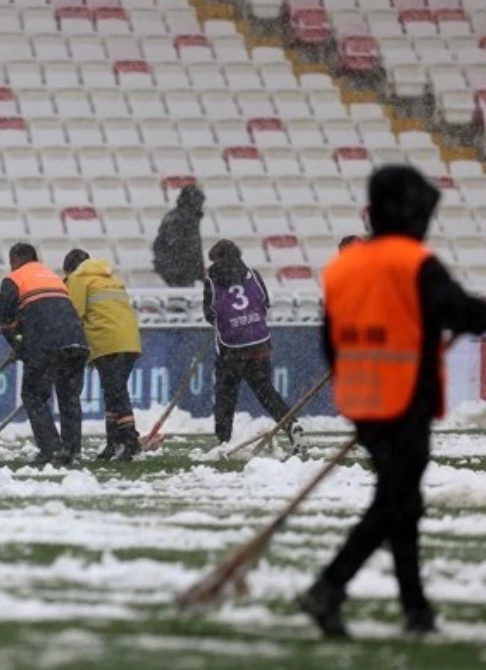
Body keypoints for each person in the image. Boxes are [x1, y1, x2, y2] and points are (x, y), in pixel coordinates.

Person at [299, 166, 486, 639]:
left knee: (401, 504)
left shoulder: (343, 268)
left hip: (364, 402)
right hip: (406, 402)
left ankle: (414, 610)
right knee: (395, 504)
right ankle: (330, 586)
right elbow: (462, 312)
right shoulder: (413, 262)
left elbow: (331, 342)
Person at [203, 240, 304, 452]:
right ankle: (290, 424)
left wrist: (226, 322)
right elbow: (264, 302)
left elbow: (209, 313)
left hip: (231, 347)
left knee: (225, 394)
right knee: (266, 391)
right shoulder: (253, 274)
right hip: (259, 343)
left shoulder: (212, 278)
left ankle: (224, 439)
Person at [0, 244, 89, 468]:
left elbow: (4, 319)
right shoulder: (53, 277)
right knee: (69, 396)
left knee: (33, 395)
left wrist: (18, 346)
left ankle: (51, 449)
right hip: (77, 341)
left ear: (16, 260)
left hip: (46, 343)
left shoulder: (15, 278)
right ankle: (71, 449)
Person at [63, 249, 143, 462]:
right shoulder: (110, 278)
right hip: (130, 340)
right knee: (112, 391)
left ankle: (130, 441)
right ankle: (114, 442)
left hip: (108, 341)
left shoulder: (79, 279)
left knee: (116, 392)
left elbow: (74, 314)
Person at [153, 185, 207, 288]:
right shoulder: (179, 220)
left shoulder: (188, 218)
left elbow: (194, 247)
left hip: (181, 270)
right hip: (176, 271)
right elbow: (174, 247)